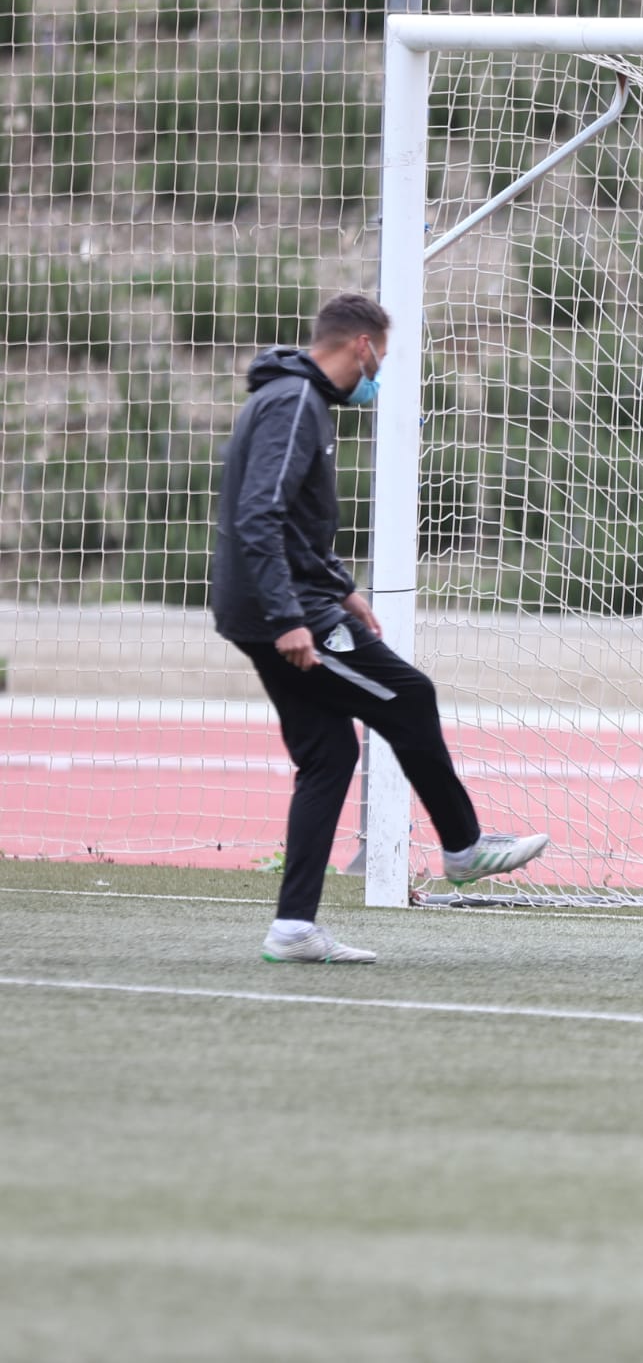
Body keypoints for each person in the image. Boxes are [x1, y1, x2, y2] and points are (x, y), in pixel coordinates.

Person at [212, 292, 549, 964]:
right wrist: (292, 619)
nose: (377, 376)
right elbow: (259, 518)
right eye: (381, 359)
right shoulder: (294, 405)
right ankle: (463, 845)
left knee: (330, 754)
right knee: (410, 695)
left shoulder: (295, 400)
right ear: (361, 345)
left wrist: (342, 589)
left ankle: (293, 928)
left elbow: (294, 521)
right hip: (282, 613)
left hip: (288, 602)